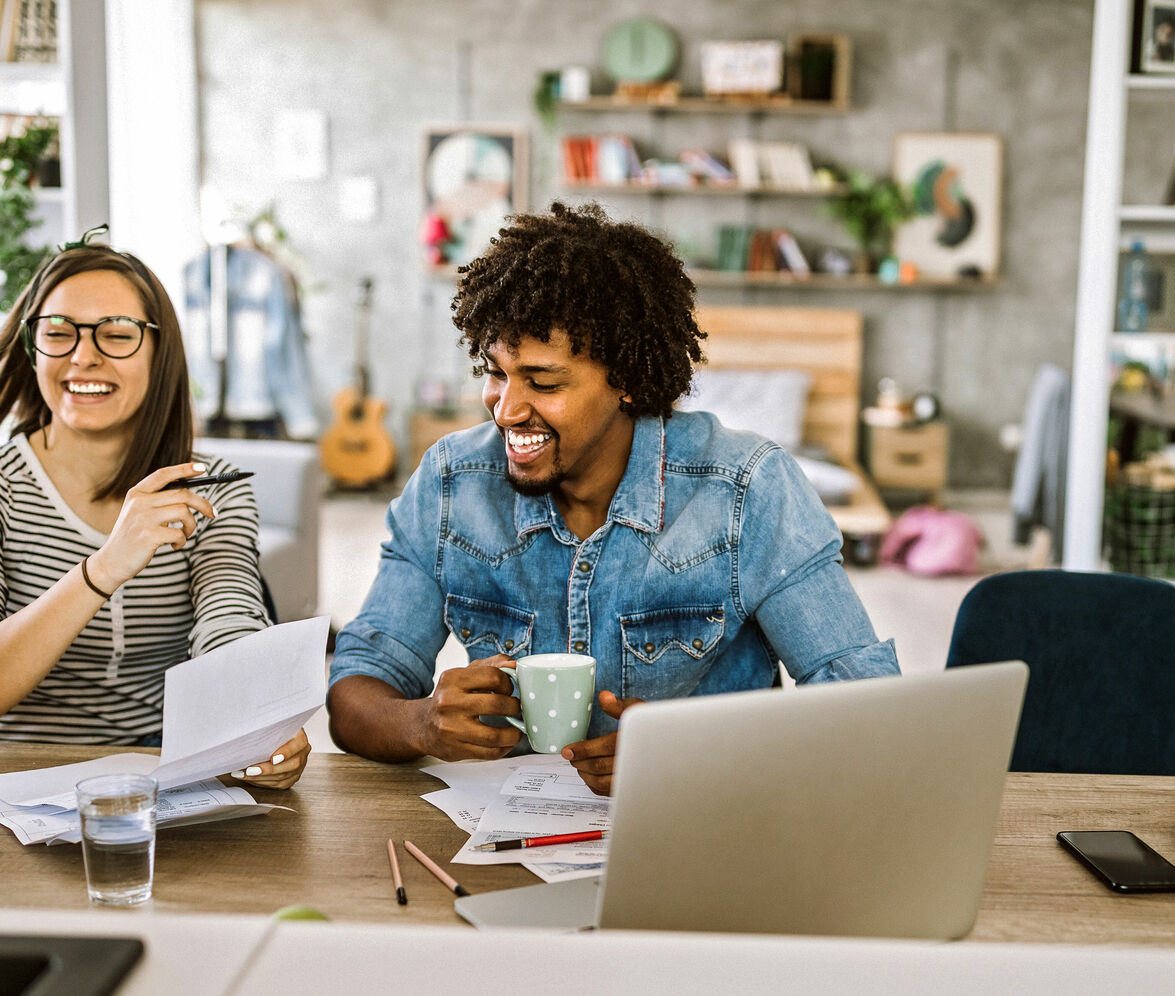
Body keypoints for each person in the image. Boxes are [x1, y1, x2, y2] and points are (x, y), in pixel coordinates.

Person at [327, 204, 899, 794]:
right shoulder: (451, 484)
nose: (505, 409)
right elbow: (355, 690)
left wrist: (693, 754)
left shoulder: (747, 489)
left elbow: (868, 712)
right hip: (504, 844)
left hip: (698, 837)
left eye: (543, 383)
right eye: (495, 371)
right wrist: (419, 722)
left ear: (625, 379)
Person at [0, 228, 307, 788]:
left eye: (116, 334)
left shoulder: (213, 485)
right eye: (59, 332)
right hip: (13, 772)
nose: (84, 357)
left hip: (162, 774)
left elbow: (229, 613)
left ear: (157, 349)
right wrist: (104, 568)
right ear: (32, 346)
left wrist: (257, 718)